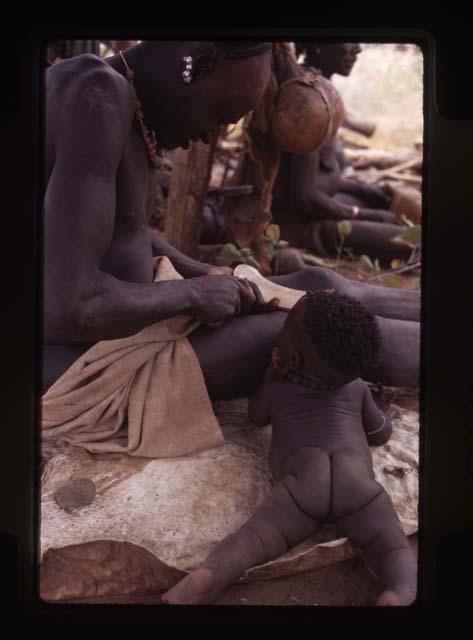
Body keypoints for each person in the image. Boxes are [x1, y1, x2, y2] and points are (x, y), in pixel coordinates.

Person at [43, 40, 420, 406]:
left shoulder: (122, 98)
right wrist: (192, 295)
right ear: (199, 62)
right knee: (312, 329)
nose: (210, 135)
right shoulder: (97, 94)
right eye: (219, 116)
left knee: (317, 284)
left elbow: (122, 232)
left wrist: (202, 272)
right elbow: (71, 304)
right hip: (76, 360)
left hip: (122, 322)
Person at [163, 291, 417, 606]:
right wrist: (377, 405)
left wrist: (271, 375)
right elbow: (381, 433)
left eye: (283, 330)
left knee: (253, 540)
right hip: (358, 484)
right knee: (391, 546)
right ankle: (398, 593)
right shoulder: (356, 389)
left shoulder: (277, 386)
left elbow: (256, 417)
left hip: (304, 485)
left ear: (291, 359)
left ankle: (208, 576)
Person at [271, 42, 412, 265]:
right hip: (302, 226)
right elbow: (304, 197)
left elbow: (315, 177)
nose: (358, 49)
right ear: (318, 43)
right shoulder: (306, 98)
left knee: (390, 205)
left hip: (324, 206)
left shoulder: (318, 87)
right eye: (349, 40)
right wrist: (360, 214)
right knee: (414, 242)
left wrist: (364, 190)